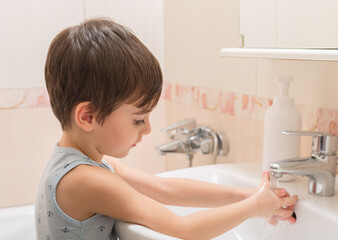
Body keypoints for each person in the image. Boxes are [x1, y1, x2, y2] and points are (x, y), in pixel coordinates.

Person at [35, 18, 297, 240]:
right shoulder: (87, 180)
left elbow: (165, 190)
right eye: (138, 119)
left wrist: (246, 195)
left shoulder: (82, 165)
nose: (147, 129)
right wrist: (255, 208)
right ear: (88, 116)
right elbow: (183, 229)